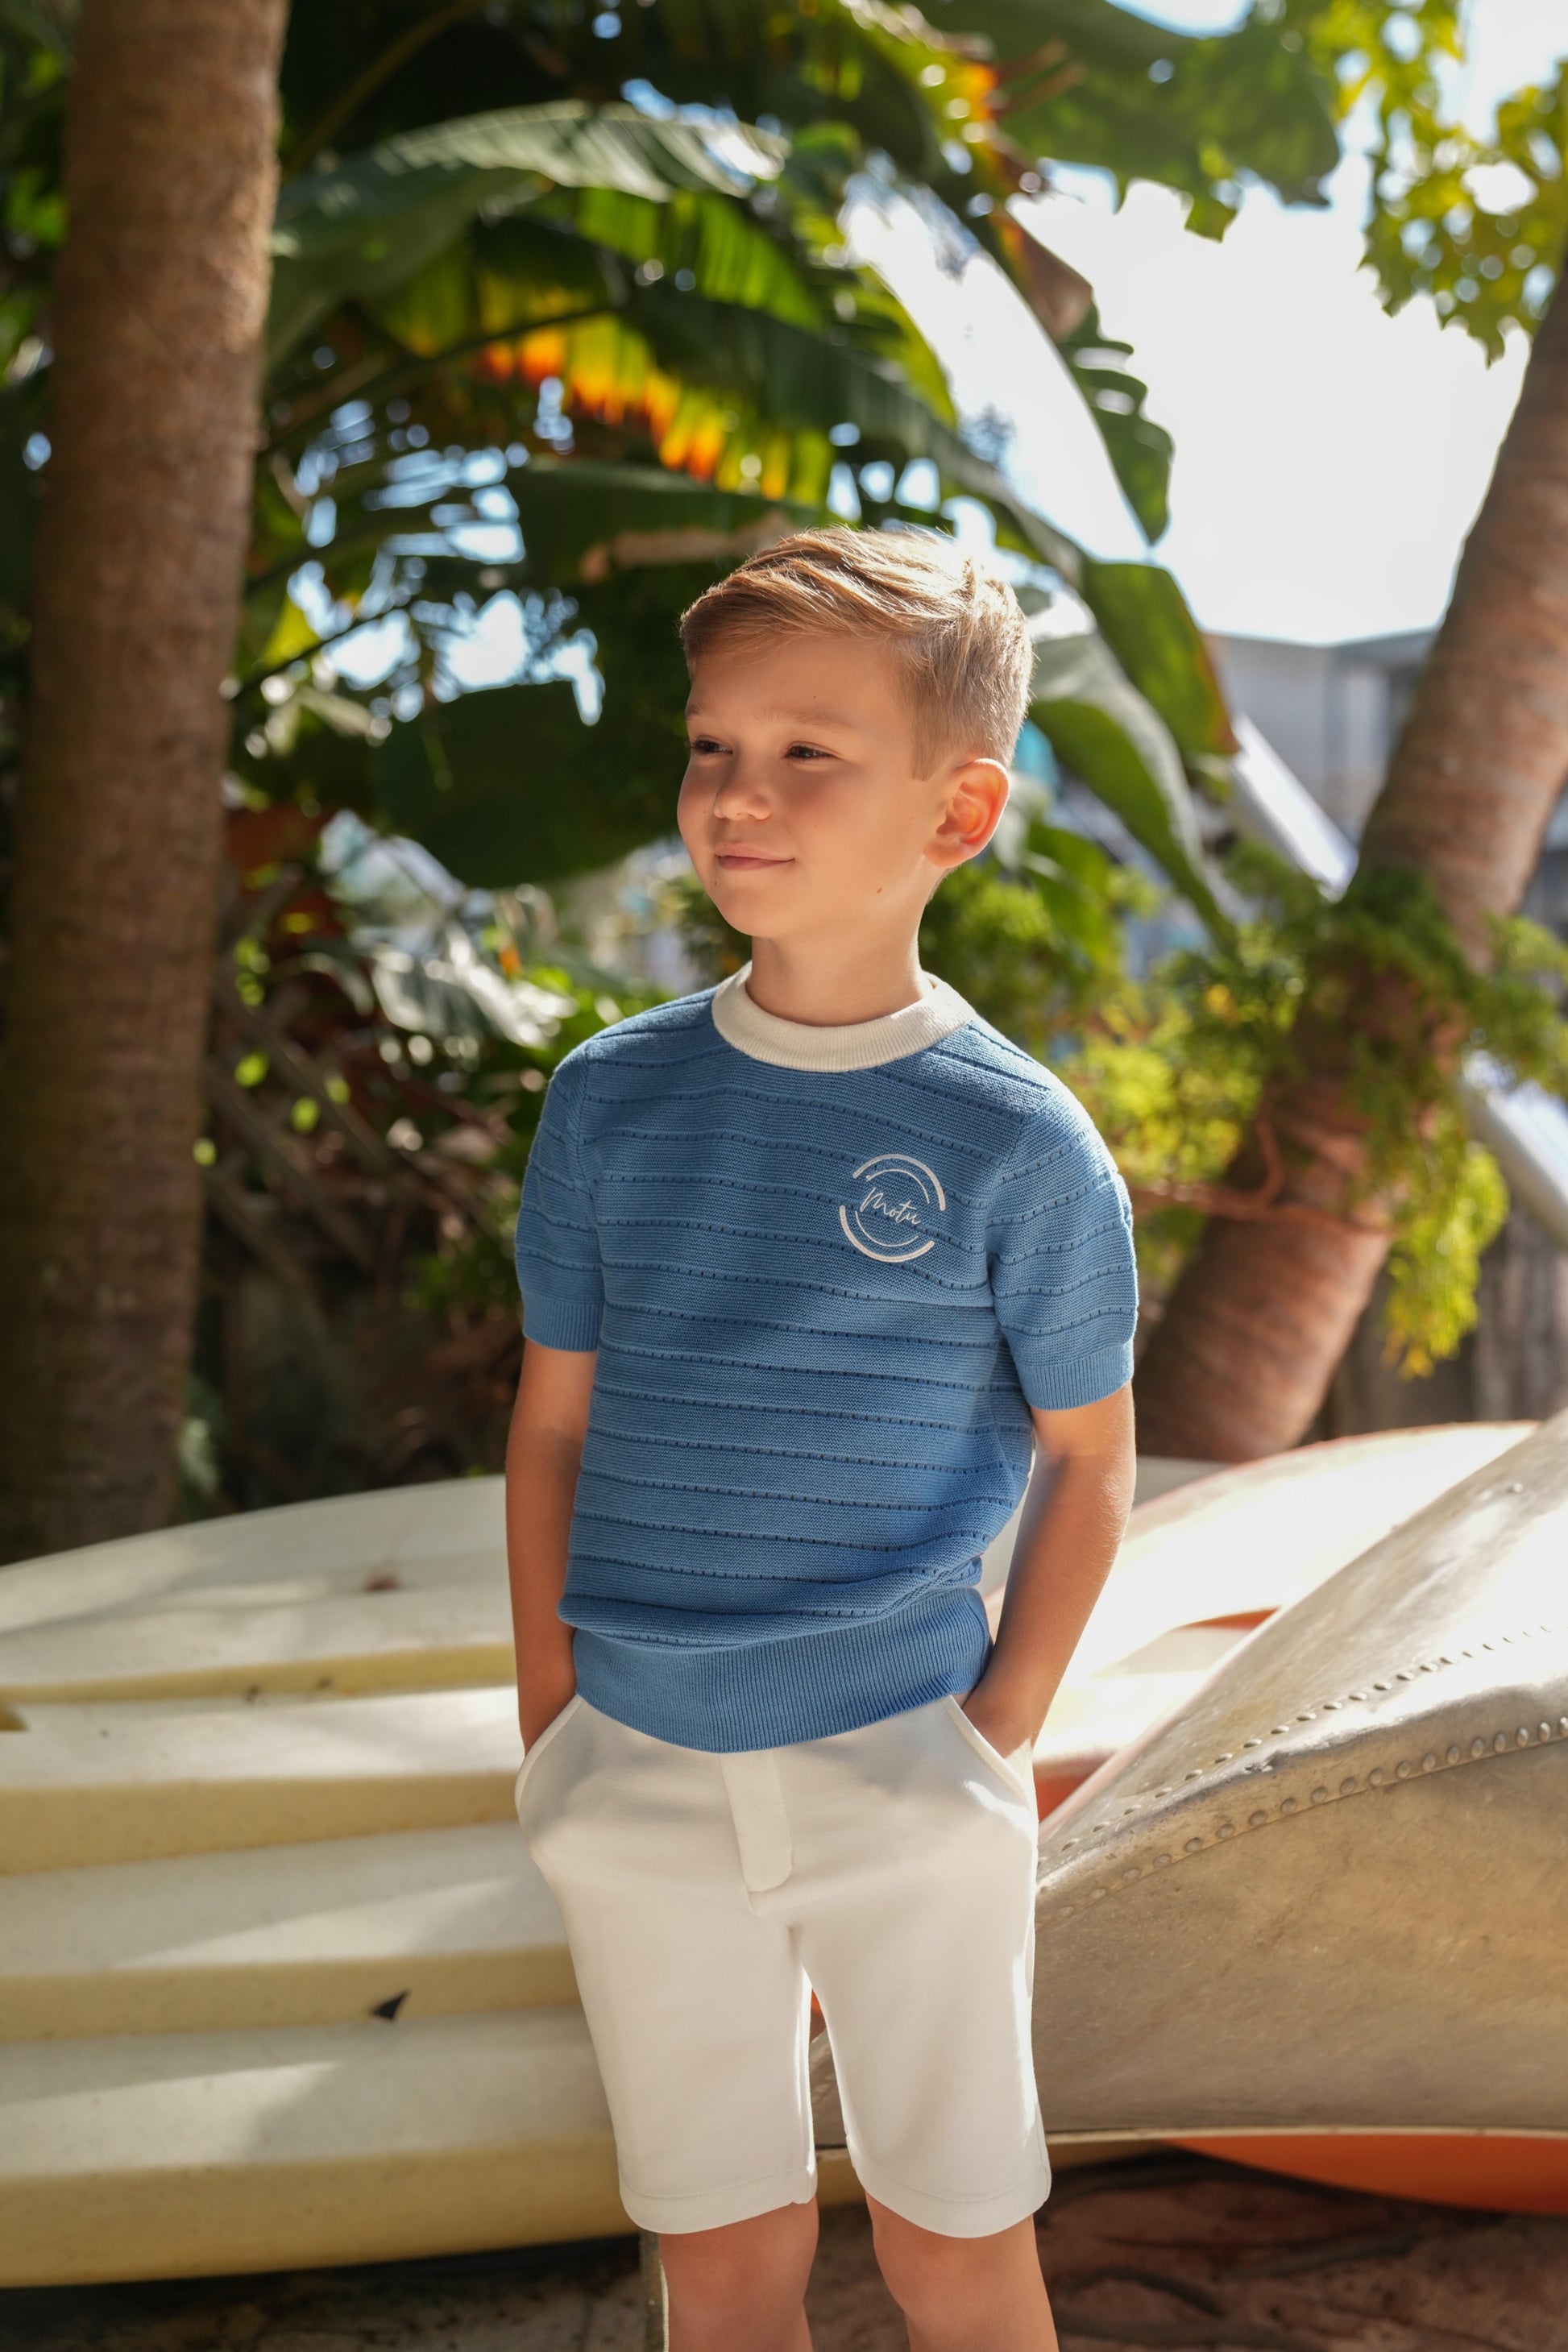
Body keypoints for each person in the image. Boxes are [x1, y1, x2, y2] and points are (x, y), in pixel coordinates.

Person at [506, 526, 1138, 2351]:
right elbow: (551, 1425)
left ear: (959, 810)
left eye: (807, 752)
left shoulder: (1019, 1142)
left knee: (955, 2249)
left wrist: (988, 1739)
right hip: (632, 1767)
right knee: (720, 2263)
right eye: (713, 744)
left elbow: (1089, 1458)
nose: (738, 793)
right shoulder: (608, 1100)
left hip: (904, 1765)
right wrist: (553, 1720)